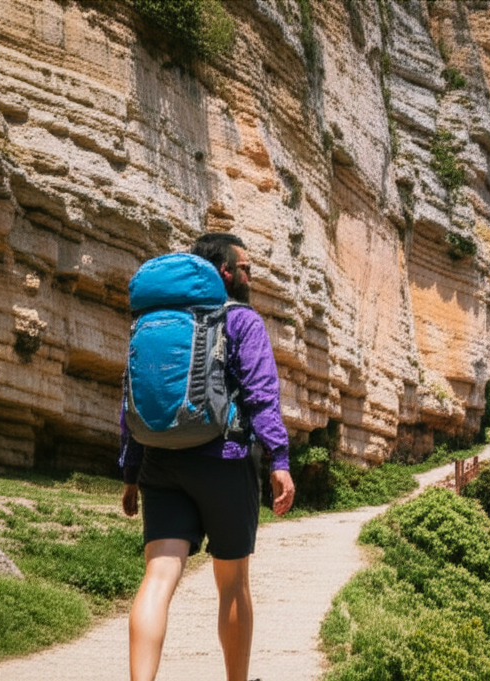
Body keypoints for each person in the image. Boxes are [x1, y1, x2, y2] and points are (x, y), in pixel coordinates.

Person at [120, 232, 296, 681]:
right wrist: (278, 459)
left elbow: (133, 400)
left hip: (161, 461)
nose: (250, 276)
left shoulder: (153, 322)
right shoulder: (241, 320)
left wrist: (131, 472)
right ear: (224, 272)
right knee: (233, 582)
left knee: (158, 578)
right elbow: (261, 395)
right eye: (246, 268)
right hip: (224, 458)